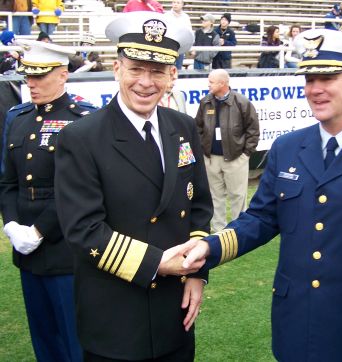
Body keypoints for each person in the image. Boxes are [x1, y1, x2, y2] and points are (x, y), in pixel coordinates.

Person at [182, 29, 342, 361]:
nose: (315, 89)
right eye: (310, 78)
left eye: (327, 77)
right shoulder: (288, 148)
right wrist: (208, 247)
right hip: (295, 317)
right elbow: (260, 219)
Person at [54, 11, 212, 361]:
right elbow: (83, 229)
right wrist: (159, 263)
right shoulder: (80, 138)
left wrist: (197, 273)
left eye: (157, 71)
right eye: (136, 69)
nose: (145, 82)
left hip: (175, 314)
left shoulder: (183, 127)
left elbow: (199, 207)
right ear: (116, 69)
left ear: (172, 75)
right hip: (115, 320)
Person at [1, 39, 98, 362]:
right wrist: (12, 224)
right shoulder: (17, 117)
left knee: (74, 340)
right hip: (26, 251)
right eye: (28, 75)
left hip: (64, 250)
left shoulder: (82, 119)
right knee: (44, 340)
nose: (31, 83)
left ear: (62, 75)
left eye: (40, 76)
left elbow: (76, 188)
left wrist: (38, 231)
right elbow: (8, 181)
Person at [195, 69, 259, 232]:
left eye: (211, 82)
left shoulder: (241, 102)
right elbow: (198, 128)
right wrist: (204, 152)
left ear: (223, 83)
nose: (208, 85)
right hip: (211, 159)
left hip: (235, 159)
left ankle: (239, 231)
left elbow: (253, 130)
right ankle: (218, 231)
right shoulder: (205, 102)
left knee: (238, 197)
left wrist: (245, 155)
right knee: (215, 197)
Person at [165, 0, 192, 70]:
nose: (175, 4)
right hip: (168, 45)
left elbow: (189, 31)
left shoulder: (186, 17)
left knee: (178, 68)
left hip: (180, 46)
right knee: (167, 67)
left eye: (178, 3)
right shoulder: (166, 15)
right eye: (174, 2)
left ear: (182, 4)